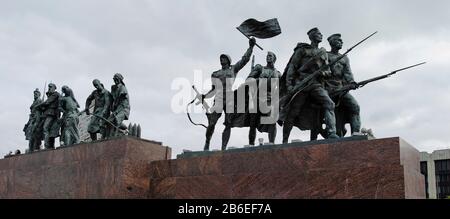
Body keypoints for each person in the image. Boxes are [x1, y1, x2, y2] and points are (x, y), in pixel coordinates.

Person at [279, 27, 338, 144]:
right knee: (293, 112)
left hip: (316, 84)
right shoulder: (302, 50)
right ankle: (285, 140)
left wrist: (322, 73)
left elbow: (328, 72)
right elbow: (292, 67)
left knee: (329, 103)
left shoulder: (323, 52)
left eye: (321, 34)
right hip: (302, 84)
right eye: (318, 34)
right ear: (312, 36)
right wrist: (290, 85)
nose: (321, 35)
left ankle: (332, 133)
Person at [199, 37, 256, 151]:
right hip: (219, 99)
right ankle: (207, 142)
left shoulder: (233, 69)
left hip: (230, 99)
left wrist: (251, 47)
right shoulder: (215, 74)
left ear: (228, 60)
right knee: (212, 123)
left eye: (224, 58)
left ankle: (223, 148)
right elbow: (213, 89)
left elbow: (244, 59)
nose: (222, 59)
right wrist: (205, 96)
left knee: (228, 124)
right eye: (221, 58)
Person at [326, 33, 361, 136]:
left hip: (341, 89)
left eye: (341, 41)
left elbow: (348, 73)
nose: (341, 42)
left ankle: (356, 133)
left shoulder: (344, 58)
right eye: (338, 40)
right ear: (332, 42)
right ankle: (332, 132)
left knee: (355, 106)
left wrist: (351, 82)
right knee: (332, 109)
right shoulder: (326, 55)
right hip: (327, 88)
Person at [247, 51, 281, 145]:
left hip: (270, 99)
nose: (268, 57)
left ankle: (271, 144)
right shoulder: (259, 68)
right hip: (257, 97)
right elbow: (248, 80)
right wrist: (259, 79)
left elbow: (282, 88)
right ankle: (251, 144)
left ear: (274, 59)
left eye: (270, 56)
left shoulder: (278, 73)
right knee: (252, 123)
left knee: (272, 119)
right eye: (267, 56)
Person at [37, 83, 61, 149]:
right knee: (48, 130)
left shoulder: (55, 94)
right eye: (48, 87)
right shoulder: (51, 95)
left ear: (54, 88)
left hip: (51, 114)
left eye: (50, 87)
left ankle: (47, 146)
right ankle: (49, 146)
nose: (49, 88)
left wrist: (38, 106)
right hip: (47, 114)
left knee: (45, 128)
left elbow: (47, 102)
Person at [106, 73, 130, 137]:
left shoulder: (123, 88)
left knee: (116, 120)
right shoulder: (113, 88)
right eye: (114, 79)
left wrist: (116, 111)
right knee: (109, 121)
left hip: (123, 109)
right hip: (116, 109)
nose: (115, 80)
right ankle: (124, 129)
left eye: (117, 79)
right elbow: (111, 99)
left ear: (120, 79)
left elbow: (123, 103)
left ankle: (115, 135)